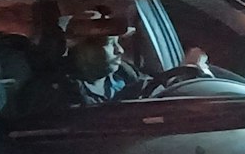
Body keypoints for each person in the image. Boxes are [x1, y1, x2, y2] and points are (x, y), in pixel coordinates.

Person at [9, 10, 148, 116]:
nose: (120, 51)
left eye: (118, 43)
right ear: (82, 48)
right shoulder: (50, 94)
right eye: (110, 44)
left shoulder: (127, 74)